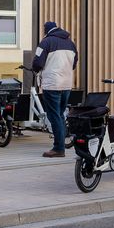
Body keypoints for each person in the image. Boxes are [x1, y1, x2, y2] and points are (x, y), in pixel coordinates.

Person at [32, 21, 78, 158]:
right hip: (66, 84)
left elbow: (37, 62)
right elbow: (74, 63)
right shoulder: (71, 43)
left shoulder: (46, 42)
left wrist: (35, 69)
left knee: (54, 116)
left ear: (46, 30)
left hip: (52, 84)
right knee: (60, 114)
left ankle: (58, 148)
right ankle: (61, 144)